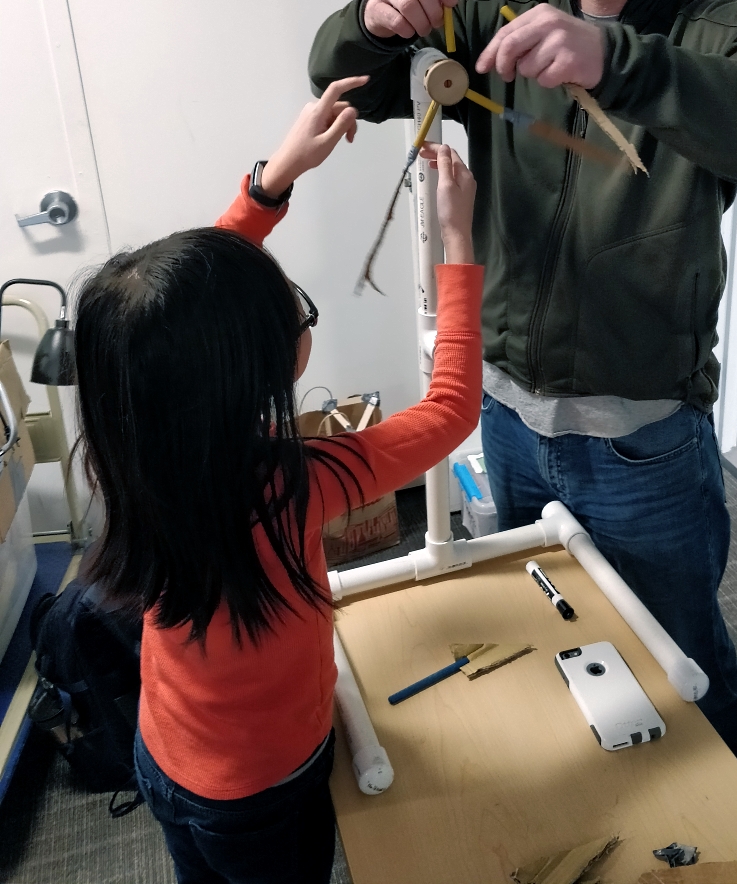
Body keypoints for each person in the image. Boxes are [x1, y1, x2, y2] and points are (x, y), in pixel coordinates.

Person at [307, 0, 737, 778]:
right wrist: (373, 21)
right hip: (507, 421)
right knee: (559, 634)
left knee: (681, 658)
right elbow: (344, 79)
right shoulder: (502, 18)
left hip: (641, 440)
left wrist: (618, 61)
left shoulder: (717, 38)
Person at [73, 76, 482, 884]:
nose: (297, 310)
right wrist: (459, 245)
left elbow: (176, 314)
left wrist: (271, 183)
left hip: (166, 753)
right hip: (266, 792)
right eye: (295, 309)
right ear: (249, 371)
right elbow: (450, 409)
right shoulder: (294, 485)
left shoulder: (133, 448)